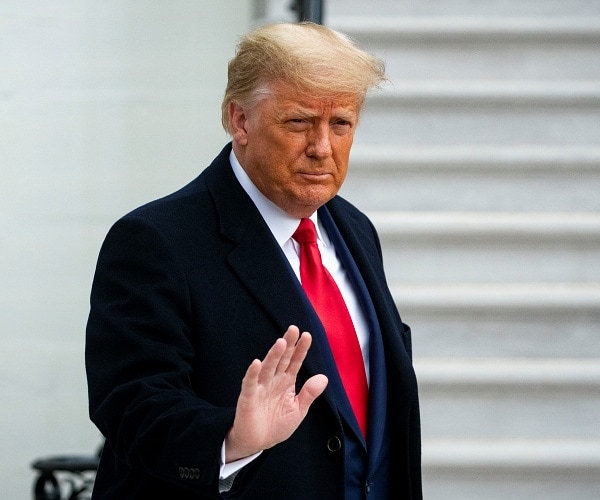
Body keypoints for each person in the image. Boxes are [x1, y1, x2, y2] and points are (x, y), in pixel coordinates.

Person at [85, 21, 421, 499]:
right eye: (299, 122)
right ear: (239, 120)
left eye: (341, 123)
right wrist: (231, 440)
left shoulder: (356, 230)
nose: (322, 148)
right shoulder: (154, 241)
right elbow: (132, 407)